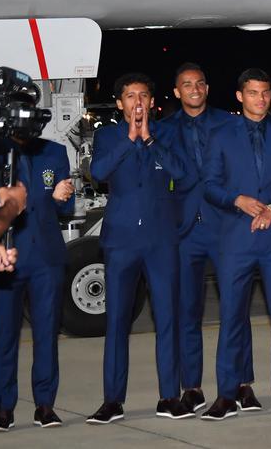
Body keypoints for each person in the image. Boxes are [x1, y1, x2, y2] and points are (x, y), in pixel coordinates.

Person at [200, 69, 271, 420]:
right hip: (236, 240)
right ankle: (226, 395)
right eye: (252, 93)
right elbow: (210, 184)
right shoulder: (219, 135)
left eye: (265, 92)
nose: (260, 99)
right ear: (239, 96)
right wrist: (237, 200)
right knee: (231, 319)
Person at [86, 73, 191, 424]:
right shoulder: (107, 135)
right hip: (121, 241)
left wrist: (148, 140)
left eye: (143, 96)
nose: (138, 102)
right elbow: (98, 170)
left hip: (161, 240)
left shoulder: (168, 133)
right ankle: (112, 401)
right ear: (120, 103)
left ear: (152, 101)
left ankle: (169, 397)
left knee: (167, 319)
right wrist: (129, 139)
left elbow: (182, 172)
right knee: (116, 321)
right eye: (130, 96)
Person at [166, 63, 257, 414]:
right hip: (185, 230)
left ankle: (243, 384)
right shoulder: (163, 130)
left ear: (207, 88)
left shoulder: (232, 124)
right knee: (188, 311)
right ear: (177, 91)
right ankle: (192, 387)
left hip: (226, 226)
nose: (193, 89)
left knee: (236, 310)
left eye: (199, 83)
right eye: (186, 84)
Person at [0, 135, 71, 431]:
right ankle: (3, 409)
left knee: (47, 333)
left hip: (47, 257)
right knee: (5, 336)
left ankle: (45, 406)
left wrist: (59, 198)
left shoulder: (55, 151)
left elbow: (66, 208)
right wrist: (6, 197)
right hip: (7, 255)